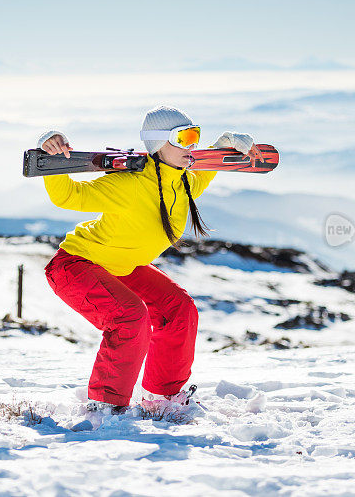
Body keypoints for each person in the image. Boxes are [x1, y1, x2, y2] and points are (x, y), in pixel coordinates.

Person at [39, 105, 263, 412]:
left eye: (195, 135)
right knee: (129, 317)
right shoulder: (129, 184)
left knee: (179, 310)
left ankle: (162, 398)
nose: (192, 145)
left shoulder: (185, 182)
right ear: (158, 143)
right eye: (183, 138)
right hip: (76, 266)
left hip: (123, 268)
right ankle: (105, 407)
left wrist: (224, 144)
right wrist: (53, 154)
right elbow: (68, 196)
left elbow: (209, 166)